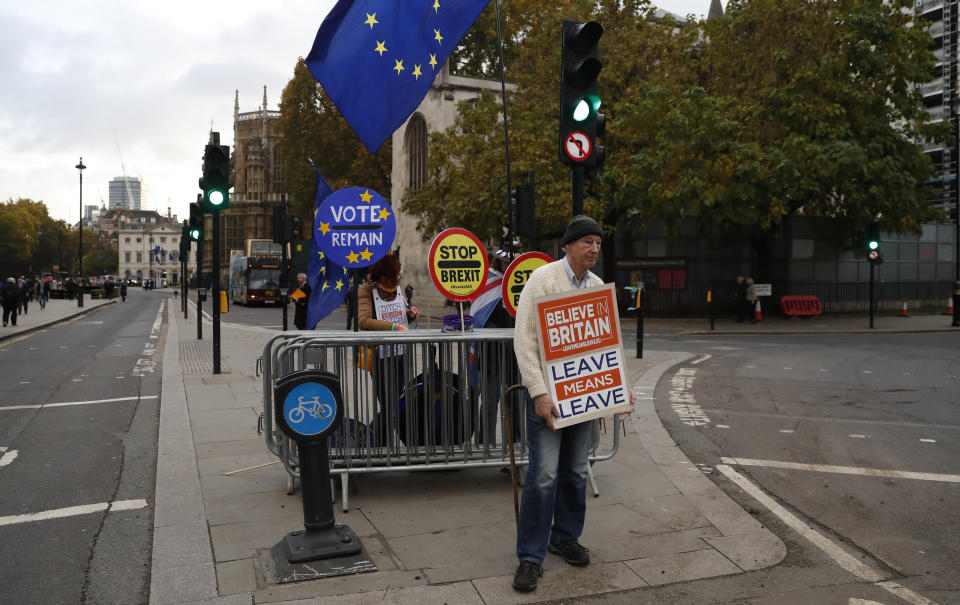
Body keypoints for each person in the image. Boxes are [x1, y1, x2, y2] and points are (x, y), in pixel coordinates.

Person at [511, 215, 635, 593]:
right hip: (551, 400)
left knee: (577, 472)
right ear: (568, 245)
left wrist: (620, 387)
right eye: (587, 242)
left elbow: (605, 343)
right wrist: (539, 392)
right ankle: (530, 557)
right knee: (544, 475)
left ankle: (564, 536)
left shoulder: (597, 286)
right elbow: (525, 340)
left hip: (584, 401)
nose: (594, 249)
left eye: (598, 243)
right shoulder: (543, 280)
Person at [358, 253, 418, 443]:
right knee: (389, 406)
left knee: (395, 405)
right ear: (383, 276)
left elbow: (401, 315)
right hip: (379, 355)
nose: (399, 278)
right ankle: (377, 441)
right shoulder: (366, 290)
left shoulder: (396, 289)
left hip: (400, 354)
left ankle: (376, 441)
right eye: (396, 275)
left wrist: (410, 314)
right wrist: (393, 327)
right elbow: (364, 321)